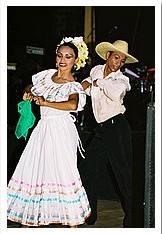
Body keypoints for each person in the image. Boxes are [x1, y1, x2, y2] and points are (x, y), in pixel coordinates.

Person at [7, 36, 91, 228]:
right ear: (55, 58)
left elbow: (73, 103)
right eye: (60, 55)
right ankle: (27, 221)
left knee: (63, 173)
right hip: (42, 129)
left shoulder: (74, 85)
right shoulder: (46, 76)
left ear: (75, 61)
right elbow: (31, 85)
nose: (63, 60)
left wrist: (46, 102)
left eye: (68, 56)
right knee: (33, 170)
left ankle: (72, 223)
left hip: (61, 130)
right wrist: (29, 92)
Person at [79, 40, 138, 227]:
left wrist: (97, 83)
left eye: (121, 61)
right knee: (88, 169)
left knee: (123, 174)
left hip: (117, 128)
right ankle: (91, 214)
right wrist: (87, 83)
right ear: (108, 56)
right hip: (101, 129)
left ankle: (132, 218)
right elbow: (88, 90)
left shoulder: (123, 80)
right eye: (116, 58)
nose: (118, 63)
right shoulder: (96, 70)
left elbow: (114, 93)